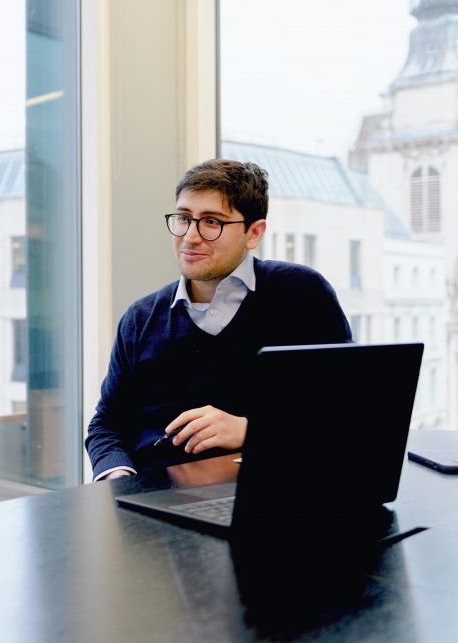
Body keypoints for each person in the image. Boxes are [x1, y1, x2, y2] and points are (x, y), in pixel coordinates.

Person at [86, 159, 351, 481]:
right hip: (151, 498)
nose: (190, 237)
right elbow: (107, 424)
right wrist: (119, 481)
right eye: (183, 219)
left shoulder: (302, 294)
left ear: (254, 233)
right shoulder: (140, 318)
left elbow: (344, 412)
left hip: (269, 492)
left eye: (211, 222)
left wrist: (248, 430)